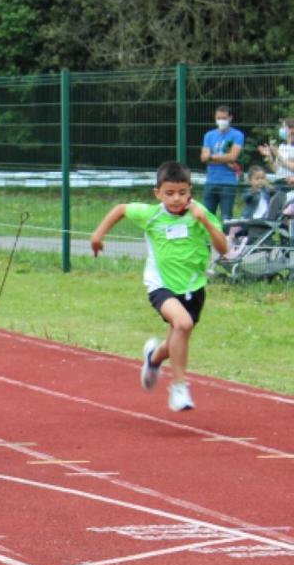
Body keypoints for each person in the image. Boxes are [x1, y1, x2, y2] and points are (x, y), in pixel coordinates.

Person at [90, 161, 227, 412]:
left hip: (193, 287)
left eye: (182, 193)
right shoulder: (151, 214)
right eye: (170, 193)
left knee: (177, 336)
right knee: (182, 324)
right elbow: (120, 209)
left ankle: (153, 359)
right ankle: (179, 388)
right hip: (160, 285)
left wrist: (205, 222)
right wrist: (97, 235)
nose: (176, 199)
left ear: (190, 191)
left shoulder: (199, 213)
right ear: (158, 194)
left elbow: (223, 248)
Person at [200, 105, 244, 220]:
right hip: (210, 181)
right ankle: (208, 238)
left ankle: (226, 237)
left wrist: (212, 157)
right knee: (207, 217)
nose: (221, 121)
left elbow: (233, 157)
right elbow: (204, 158)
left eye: (224, 118)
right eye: (218, 118)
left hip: (228, 182)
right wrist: (224, 158)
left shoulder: (237, 135)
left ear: (230, 118)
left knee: (227, 217)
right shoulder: (209, 135)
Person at [258, 117, 294, 191]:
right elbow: (276, 170)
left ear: (292, 129)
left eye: (284, 127)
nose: (281, 130)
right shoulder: (282, 146)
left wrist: (278, 155)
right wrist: (269, 156)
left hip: (291, 184)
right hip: (280, 182)